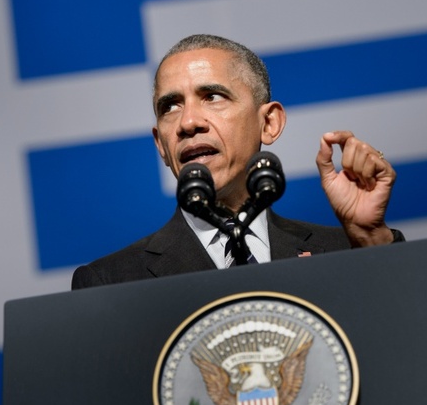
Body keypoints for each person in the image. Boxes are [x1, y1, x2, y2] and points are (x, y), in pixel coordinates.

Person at [71, 34, 403, 290]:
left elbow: (414, 341)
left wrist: (370, 237)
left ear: (269, 123)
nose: (188, 123)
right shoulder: (111, 282)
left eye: (212, 96)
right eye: (170, 106)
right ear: (161, 144)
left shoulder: (348, 252)